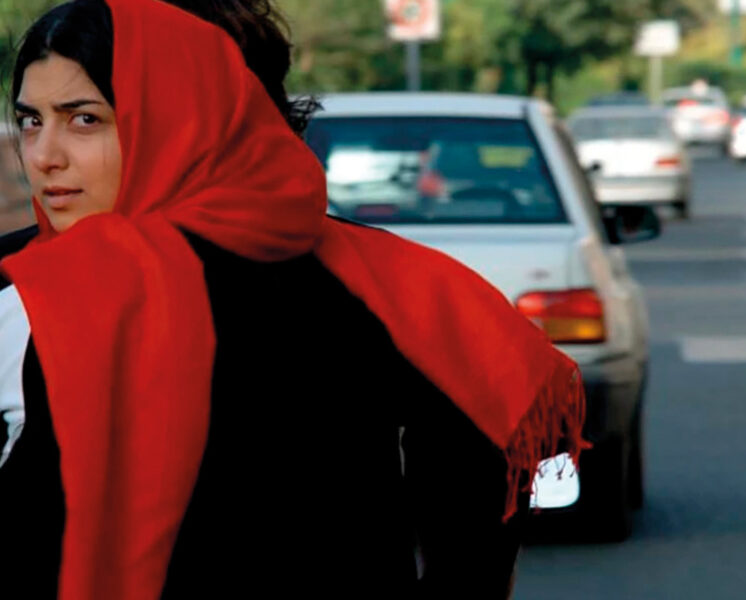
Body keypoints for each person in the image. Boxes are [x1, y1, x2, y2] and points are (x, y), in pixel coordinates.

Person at [0, 0, 587, 598]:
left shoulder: (375, 287)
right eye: (30, 121)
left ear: (180, 117)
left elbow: (472, 491)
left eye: (84, 120)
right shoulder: (15, 284)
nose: (44, 157)